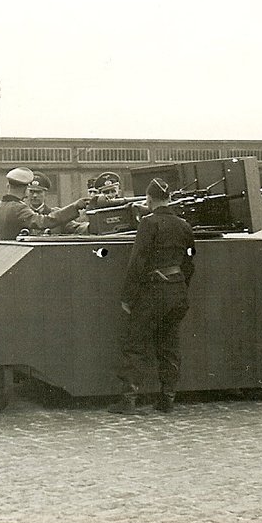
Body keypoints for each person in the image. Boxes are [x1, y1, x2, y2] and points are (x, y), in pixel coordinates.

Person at [109, 177, 196, 415]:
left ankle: (128, 400)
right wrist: (180, 286)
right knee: (169, 345)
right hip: (177, 292)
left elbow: (137, 263)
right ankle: (167, 398)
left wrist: (128, 297)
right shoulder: (184, 226)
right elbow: (189, 262)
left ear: (148, 199)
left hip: (153, 293)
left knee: (135, 344)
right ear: (169, 199)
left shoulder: (148, 223)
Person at [0, 167, 89, 240]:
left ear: (8, 186)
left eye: (39, 192)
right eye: (31, 191)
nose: (34, 195)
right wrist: (75, 207)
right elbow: (44, 221)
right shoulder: (20, 209)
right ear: (26, 189)